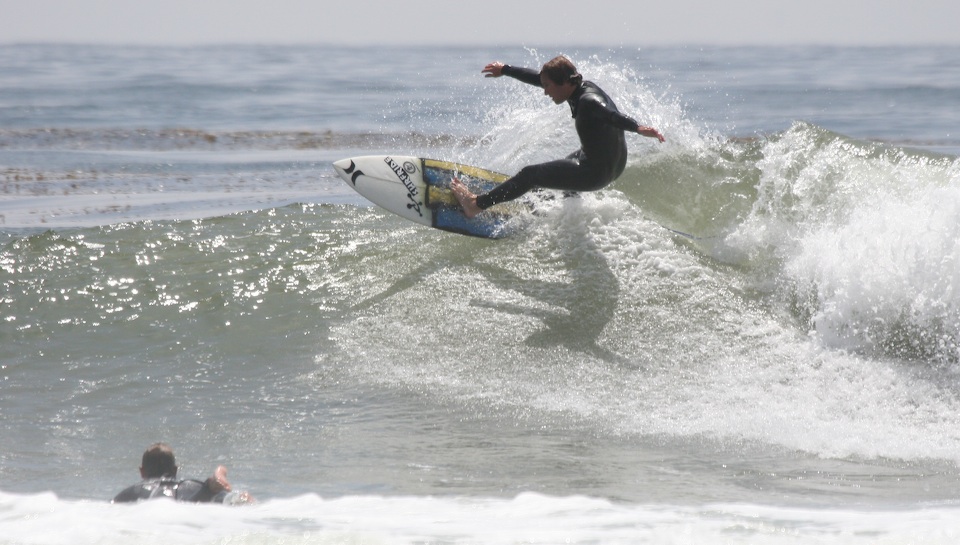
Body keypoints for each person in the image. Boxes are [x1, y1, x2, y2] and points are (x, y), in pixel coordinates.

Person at [451, 56, 665, 218]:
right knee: (561, 168)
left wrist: (638, 128)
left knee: (530, 174)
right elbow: (538, 78)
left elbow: (612, 116)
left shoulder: (589, 101)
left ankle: (475, 205)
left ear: (565, 83)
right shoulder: (576, 87)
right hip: (612, 165)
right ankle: (568, 208)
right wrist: (505, 69)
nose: (545, 92)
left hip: (596, 173)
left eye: (548, 86)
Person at [112, 442, 243, 503]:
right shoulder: (190, 486)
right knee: (220, 497)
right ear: (174, 470)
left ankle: (212, 485)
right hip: (190, 496)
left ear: (142, 471)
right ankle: (213, 482)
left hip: (154, 506)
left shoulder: (131, 492)